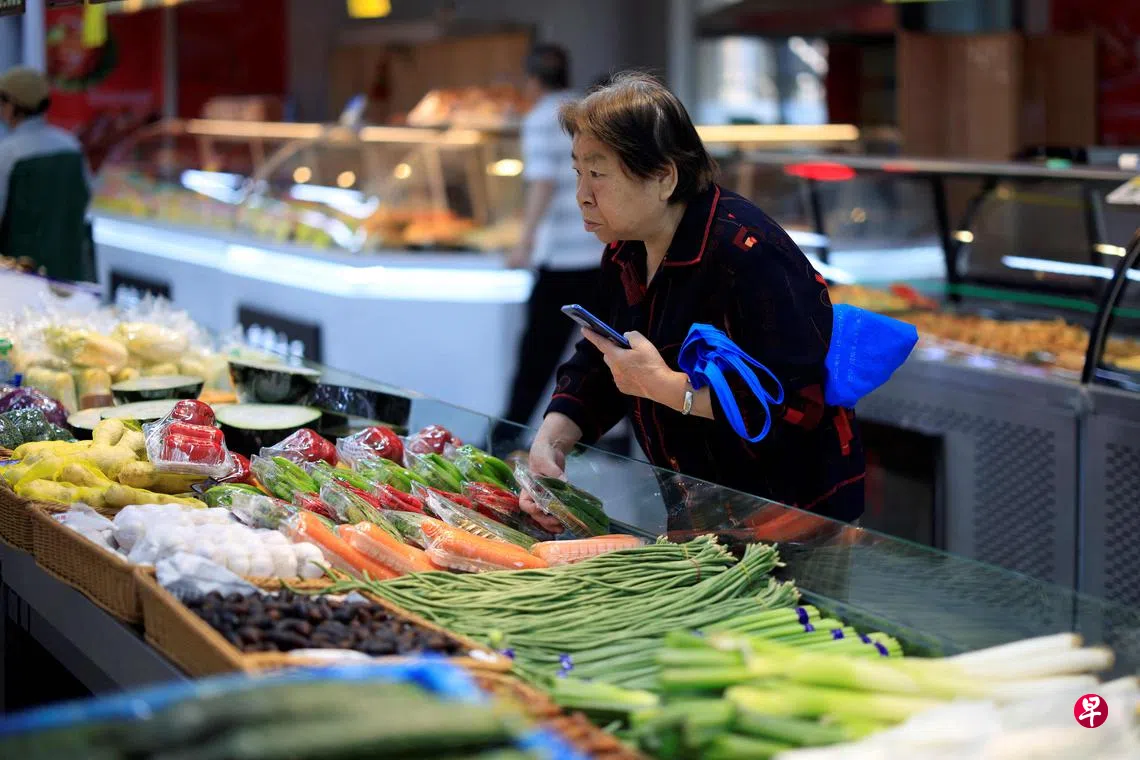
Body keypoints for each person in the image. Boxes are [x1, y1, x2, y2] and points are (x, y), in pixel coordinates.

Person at [522, 73, 866, 532]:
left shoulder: (746, 251)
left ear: (664, 177)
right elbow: (604, 359)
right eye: (578, 173)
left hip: (791, 514)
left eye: (598, 174)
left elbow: (800, 402)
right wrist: (553, 438)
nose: (582, 195)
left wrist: (665, 386)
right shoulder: (626, 248)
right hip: (700, 505)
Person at [497, 46, 606, 443]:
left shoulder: (542, 117)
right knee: (605, 351)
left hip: (561, 258)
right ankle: (610, 437)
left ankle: (509, 432)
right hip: (599, 252)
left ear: (532, 80)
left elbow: (542, 182)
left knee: (537, 355)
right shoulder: (584, 112)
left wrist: (524, 241)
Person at [0, 66, 92, 281]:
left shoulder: (8, 153)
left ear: (13, 105)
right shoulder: (71, 145)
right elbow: (86, 198)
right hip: (68, 270)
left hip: (20, 275)